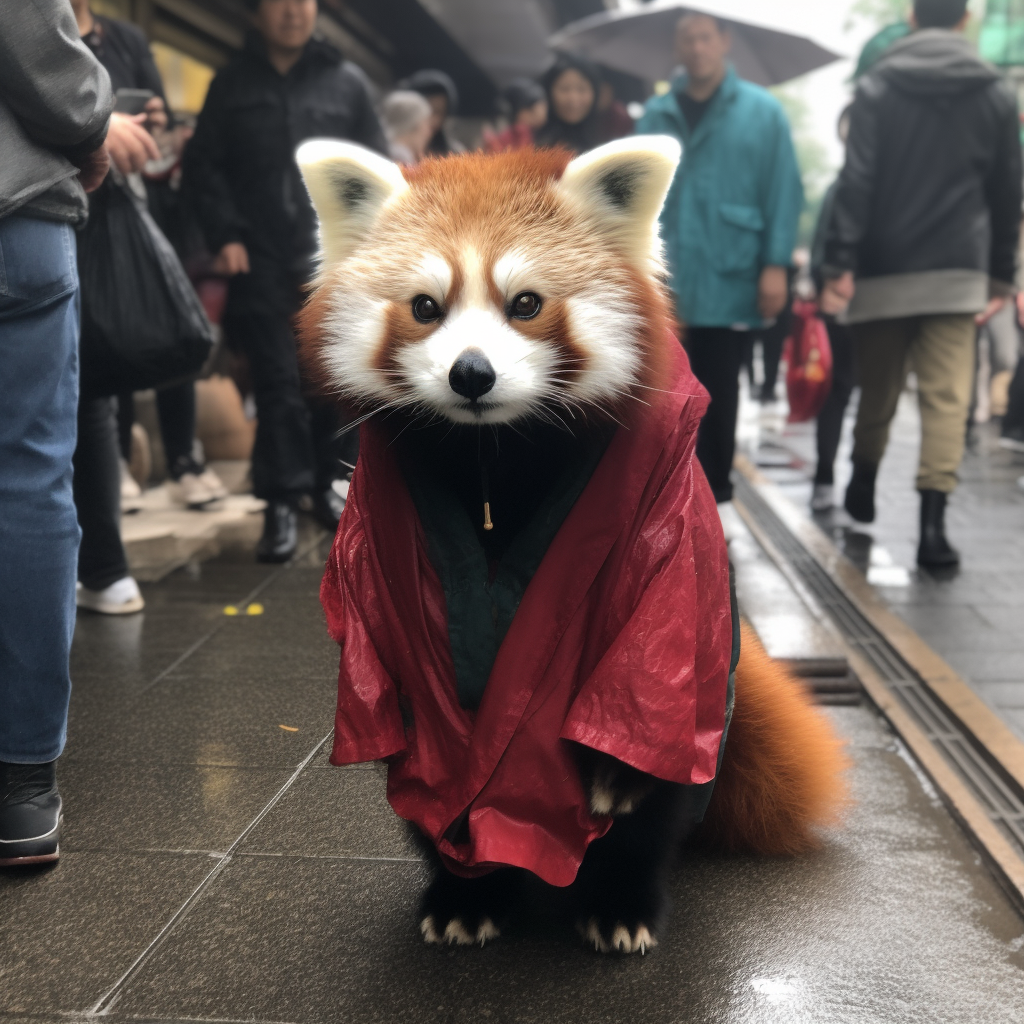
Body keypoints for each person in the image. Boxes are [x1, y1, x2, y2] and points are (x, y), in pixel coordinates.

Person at [184, 0, 387, 562]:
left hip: (333, 261)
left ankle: (329, 483)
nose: (293, 11)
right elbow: (204, 165)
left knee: (330, 380)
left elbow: (377, 168)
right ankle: (280, 499)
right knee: (276, 382)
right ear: (256, 13)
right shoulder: (230, 83)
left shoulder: (346, 82)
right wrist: (224, 233)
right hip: (258, 257)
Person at [822, 0, 1022, 569]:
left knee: (878, 393)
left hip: (884, 270)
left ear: (913, 19)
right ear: (963, 21)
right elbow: (1008, 191)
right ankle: (932, 531)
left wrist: (839, 261)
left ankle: (863, 476)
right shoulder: (995, 93)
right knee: (946, 400)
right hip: (959, 271)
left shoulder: (878, 89)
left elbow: (855, 182)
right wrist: (1001, 274)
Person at [0, 0, 113, 865]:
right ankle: (19, 785)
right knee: (28, 480)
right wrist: (91, 122)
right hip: (13, 209)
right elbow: (32, 40)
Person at [636, 13, 803, 506]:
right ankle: (668, 500)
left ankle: (720, 497)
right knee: (662, 395)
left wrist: (776, 264)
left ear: (725, 41)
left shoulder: (762, 112)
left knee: (721, 391)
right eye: (687, 37)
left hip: (730, 275)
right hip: (666, 279)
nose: (697, 46)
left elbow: (784, 192)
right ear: (677, 47)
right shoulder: (655, 114)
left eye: (706, 36)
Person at [809, 107, 858, 513]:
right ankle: (826, 474)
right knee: (838, 389)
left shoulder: (852, 186)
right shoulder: (840, 186)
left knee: (852, 393)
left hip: (874, 305)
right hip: (840, 308)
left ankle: (851, 476)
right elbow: (821, 244)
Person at [535, 54, 602, 154]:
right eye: (564, 89)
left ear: (595, 93)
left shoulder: (605, 143)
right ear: (548, 93)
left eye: (581, 89)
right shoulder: (531, 141)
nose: (573, 98)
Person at [399, 69, 465, 156]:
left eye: (441, 114)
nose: (436, 120)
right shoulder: (384, 137)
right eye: (430, 110)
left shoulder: (450, 154)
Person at [484, 78, 547, 153]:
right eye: (530, 110)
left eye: (544, 107)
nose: (539, 115)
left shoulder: (548, 134)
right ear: (511, 111)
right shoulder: (507, 135)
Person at [380, 90, 433, 165]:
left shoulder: (379, 149)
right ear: (416, 124)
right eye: (426, 124)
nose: (429, 133)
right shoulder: (401, 158)